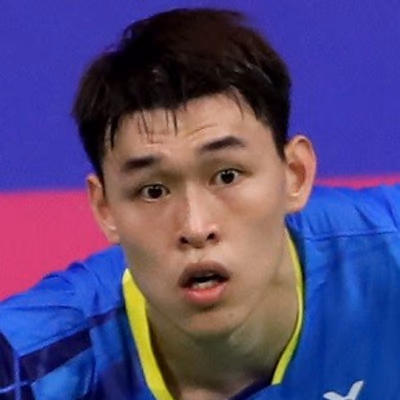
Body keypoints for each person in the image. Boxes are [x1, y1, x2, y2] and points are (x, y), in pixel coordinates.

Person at [1, 7, 399, 400]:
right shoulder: (30, 368)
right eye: (153, 191)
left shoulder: (389, 258)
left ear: (294, 174)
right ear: (105, 209)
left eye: (227, 176)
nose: (195, 227)